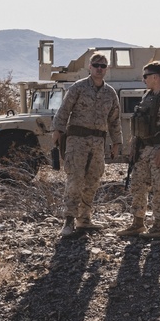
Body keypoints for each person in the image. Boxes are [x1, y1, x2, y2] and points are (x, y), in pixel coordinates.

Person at [52, 52, 122, 237]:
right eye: (96, 65)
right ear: (89, 67)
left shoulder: (110, 93)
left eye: (103, 66)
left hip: (98, 142)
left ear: (107, 69)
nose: (99, 68)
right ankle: (68, 220)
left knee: (92, 180)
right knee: (75, 179)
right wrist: (57, 131)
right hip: (77, 141)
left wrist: (117, 142)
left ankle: (84, 219)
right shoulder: (79, 87)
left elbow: (114, 120)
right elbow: (64, 109)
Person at [118, 62, 160, 240]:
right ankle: (138, 223)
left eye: (145, 76)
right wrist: (133, 147)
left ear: (155, 77)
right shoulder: (148, 96)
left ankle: (158, 226)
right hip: (143, 149)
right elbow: (139, 123)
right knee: (138, 185)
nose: (143, 80)